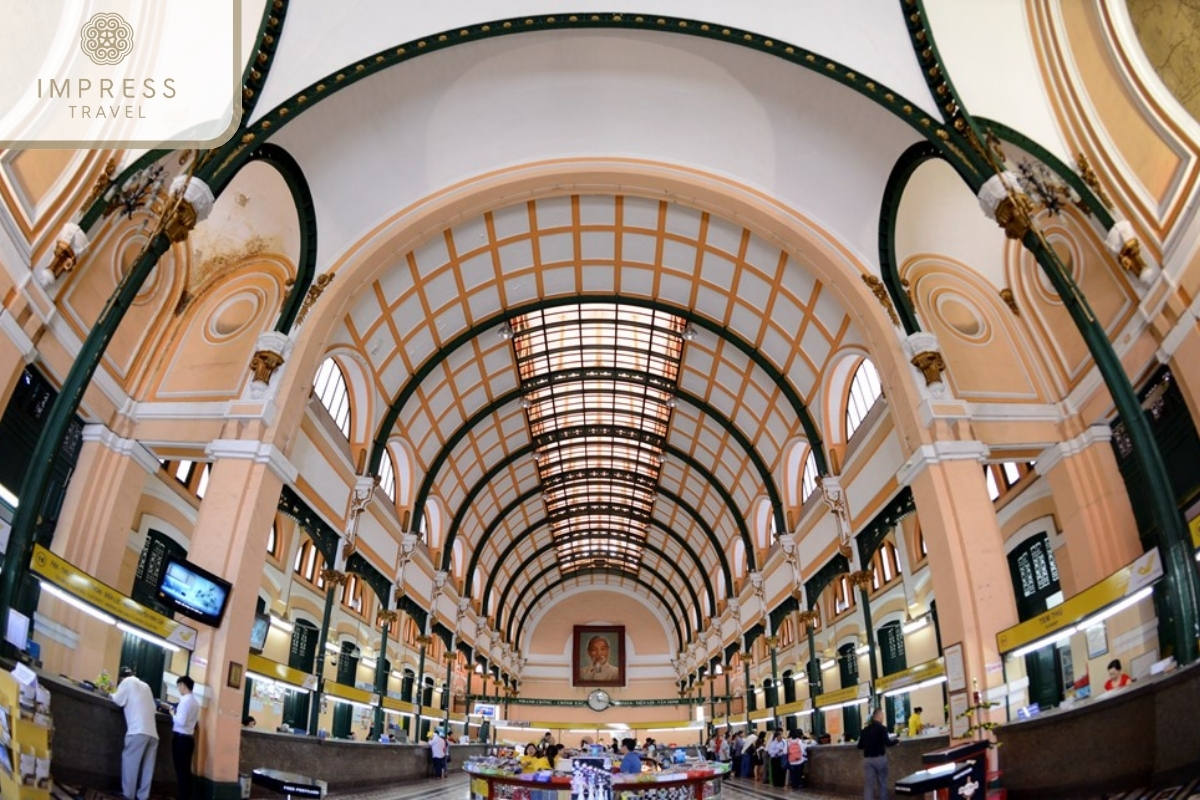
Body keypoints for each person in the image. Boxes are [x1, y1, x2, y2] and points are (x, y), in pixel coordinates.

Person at [111, 666, 159, 800]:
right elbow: (154, 707)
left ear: (121, 678)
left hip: (138, 731)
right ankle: (143, 796)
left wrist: (110, 693)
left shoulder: (127, 682)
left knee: (130, 762)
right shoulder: (146, 686)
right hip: (153, 733)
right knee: (147, 768)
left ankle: (128, 795)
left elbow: (118, 700)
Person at [857, 708, 898, 800]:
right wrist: (896, 741)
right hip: (880, 759)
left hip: (867, 760)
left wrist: (868, 744)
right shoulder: (882, 729)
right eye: (882, 715)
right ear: (879, 716)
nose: (883, 717)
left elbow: (859, 746)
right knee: (882, 783)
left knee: (869, 784)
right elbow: (888, 743)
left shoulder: (865, 730)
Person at [171, 676, 200, 800]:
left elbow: (181, 722)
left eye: (178, 686)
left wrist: (173, 714)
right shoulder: (195, 702)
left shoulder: (184, 701)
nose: (178, 689)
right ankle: (187, 796)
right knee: (186, 770)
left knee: (180, 770)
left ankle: (182, 796)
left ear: (183, 685)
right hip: (189, 739)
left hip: (180, 739)